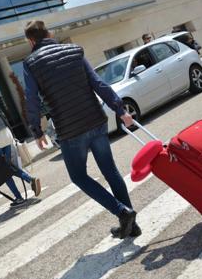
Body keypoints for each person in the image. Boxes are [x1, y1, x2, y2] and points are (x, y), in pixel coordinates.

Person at [23, 20, 140, 239]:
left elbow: (31, 98)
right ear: (49, 33)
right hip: (95, 120)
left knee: (78, 176)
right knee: (110, 171)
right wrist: (120, 109)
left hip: (70, 129)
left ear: (31, 41)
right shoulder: (74, 50)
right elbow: (97, 82)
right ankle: (131, 225)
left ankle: (122, 212)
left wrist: (36, 131)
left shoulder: (31, 63)